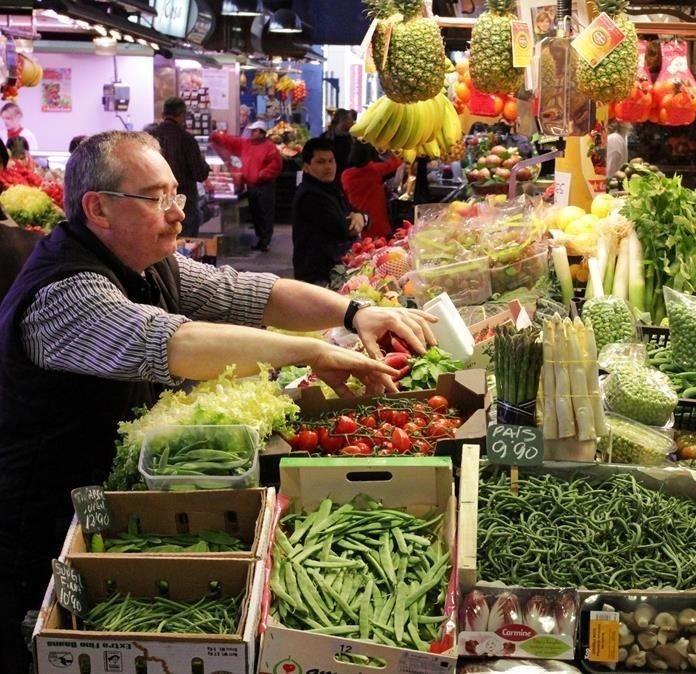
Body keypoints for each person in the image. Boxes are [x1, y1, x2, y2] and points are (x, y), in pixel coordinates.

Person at [0, 131, 437, 672]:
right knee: (51, 640)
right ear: (99, 208)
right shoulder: (65, 292)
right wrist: (310, 353)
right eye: (157, 199)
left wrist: (354, 314)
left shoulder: (151, 263)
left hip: (107, 497)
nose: (178, 214)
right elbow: (174, 345)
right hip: (40, 518)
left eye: (176, 196)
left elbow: (252, 294)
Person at [293, 137, 365, 285]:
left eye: (331, 161)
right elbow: (343, 229)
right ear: (306, 166)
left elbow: (353, 211)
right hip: (316, 276)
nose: (328, 167)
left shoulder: (330, 187)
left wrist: (360, 216)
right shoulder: (310, 195)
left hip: (333, 270)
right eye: (321, 162)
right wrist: (359, 220)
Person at [211, 120, 282, 251]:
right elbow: (231, 141)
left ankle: (264, 240)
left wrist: (261, 175)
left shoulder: (270, 147)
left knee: (265, 213)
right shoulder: (246, 144)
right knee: (256, 213)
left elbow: (275, 166)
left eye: (254, 131)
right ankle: (261, 239)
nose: (252, 133)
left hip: (264, 186)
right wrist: (215, 135)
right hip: (252, 185)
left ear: (262, 133)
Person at [150, 97, 211, 237]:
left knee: (161, 239)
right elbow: (200, 173)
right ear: (182, 116)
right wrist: (206, 167)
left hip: (156, 199)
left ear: (163, 114)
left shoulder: (149, 137)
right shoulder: (187, 139)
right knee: (184, 243)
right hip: (184, 201)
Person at [342, 140, 403, 239]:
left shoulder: (345, 175)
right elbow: (397, 161)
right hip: (379, 224)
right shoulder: (374, 170)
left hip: (360, 224)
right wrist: (386, 149)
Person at [324, 108, 356, 179]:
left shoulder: (353, 138)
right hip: (331, 178)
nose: (353, 122)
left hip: (348, 178)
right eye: (350, 119)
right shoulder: (326, 138)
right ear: (343, 120)